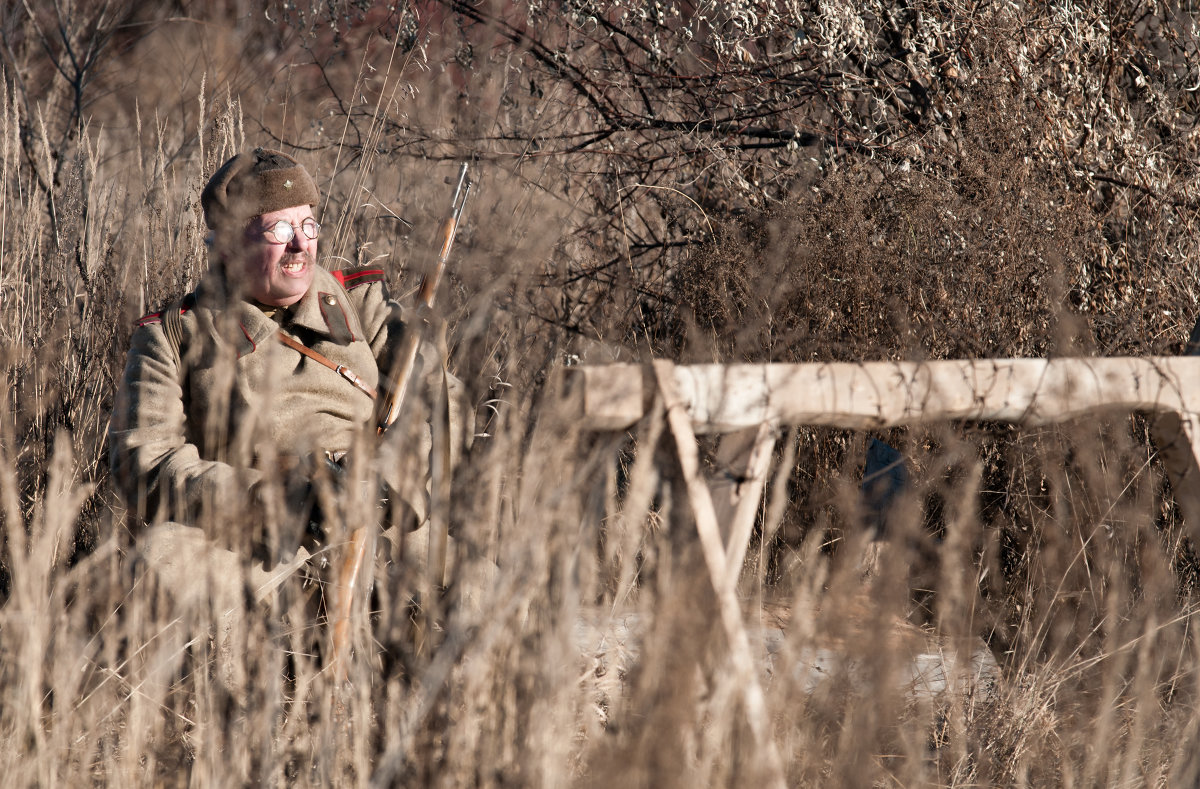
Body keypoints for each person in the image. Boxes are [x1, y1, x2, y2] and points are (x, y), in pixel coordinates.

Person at [109, 147, 463, 616]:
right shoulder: (172, 334)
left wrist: (389, 484)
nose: (300, 245)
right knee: (162, 566)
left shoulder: (361, 302)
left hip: (378, 518)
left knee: (484, 593)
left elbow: (436, 400)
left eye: (308, 225)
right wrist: (277, 500)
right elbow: (144, 461)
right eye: (278, 228)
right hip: (253, 534)